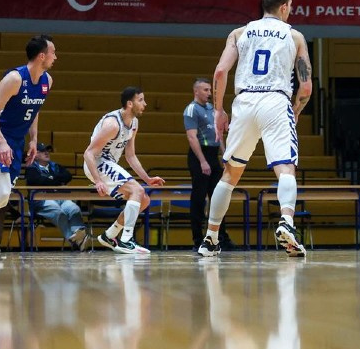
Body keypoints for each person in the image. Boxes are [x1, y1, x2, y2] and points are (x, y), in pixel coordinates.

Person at [201, 0, 313, 257]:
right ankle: (286, 221)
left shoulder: (239, 33)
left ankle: (210, 238)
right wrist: (296, 110)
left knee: (230, 173)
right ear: (284, 7)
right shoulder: (295, 36)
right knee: (285, 168)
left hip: (244, 101)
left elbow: (219, 71)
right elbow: (306, 85)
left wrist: (218, 110)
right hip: (275, 101)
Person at [0, 35, 57, 258]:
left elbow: (35, 110)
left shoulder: (47, 81)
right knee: (1, 192)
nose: (55, 57)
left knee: (3, 197)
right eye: (53, 53)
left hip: (17, 141)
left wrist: (33, 139)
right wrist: (1, 142)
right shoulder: (14, 79)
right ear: (42, 56)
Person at [83, 87, 165, 255]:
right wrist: (98, 180)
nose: (145, 103)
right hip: (96, 163)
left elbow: (131, 155)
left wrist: (147, 178)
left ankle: (110, 235)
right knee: (137, 190)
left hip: (108, 163)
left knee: (144, 199)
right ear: (130, 103)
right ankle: (126, 240)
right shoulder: (112, 124)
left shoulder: (134, 123)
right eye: (141, 100)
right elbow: (89, 153)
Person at [184, 78, 233, 249]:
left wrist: (224, 155)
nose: (209, 93)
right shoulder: (191, 110)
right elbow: (192, 137)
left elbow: (218, 133)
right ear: (196, 91)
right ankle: (198, 239)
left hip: (213, 156)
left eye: (210, 90)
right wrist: (203, 161)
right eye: (205, 90)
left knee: (218, 197)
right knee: (198, 199)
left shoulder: (213, 109)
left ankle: (221, 238)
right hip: (199, 157)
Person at [25, 143, 92, 251]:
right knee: (58, 212)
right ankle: (76, 241)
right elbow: (36, 180)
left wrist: (50, 179)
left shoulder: (55, 166)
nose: (46, 153)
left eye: (47, 150)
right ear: (35, 155)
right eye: (42, 151)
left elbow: (67, 176)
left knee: (74, 208)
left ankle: (78, 234)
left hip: (61, 197)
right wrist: (57, 180)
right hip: (42, 201)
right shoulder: (31, 168)